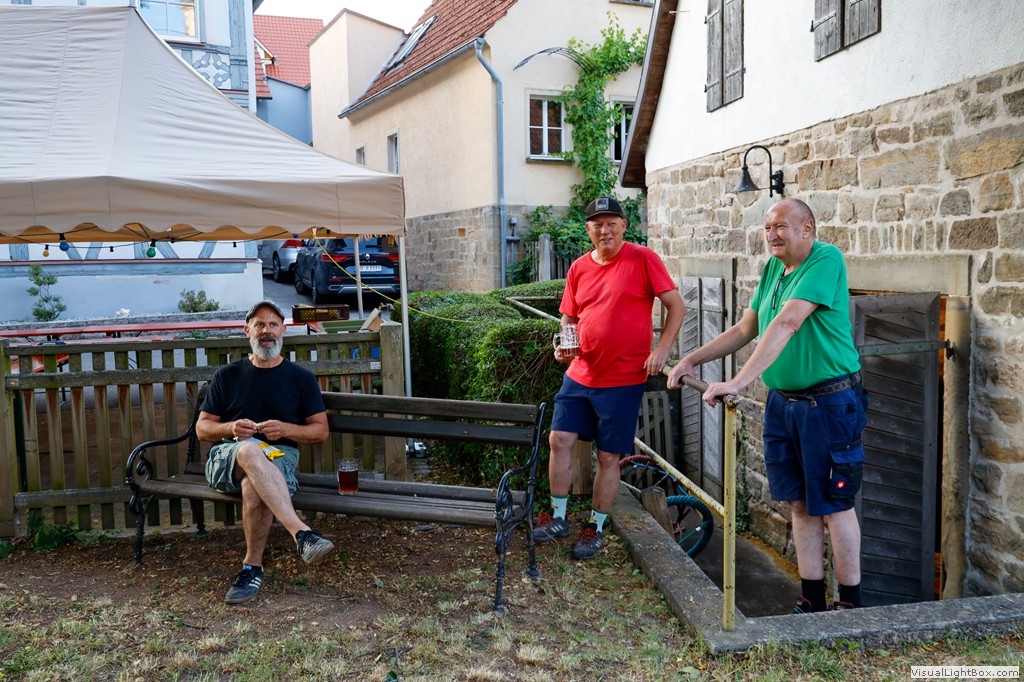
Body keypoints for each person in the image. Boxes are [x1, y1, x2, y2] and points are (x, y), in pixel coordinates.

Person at [667, 198, 869, 612]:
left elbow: (788, 322)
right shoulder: (774, 269)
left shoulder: (825, 259)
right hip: (784, 403)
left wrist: (737, 382)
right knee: (799, 502)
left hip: (829, 403)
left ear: (807, 229)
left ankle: (849, 606)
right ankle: (811, 599)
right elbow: (747, 327)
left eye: (780, 227)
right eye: (767, 228)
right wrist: (691, 359)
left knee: (835, 505)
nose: (772, 235)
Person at [534, 196, 685, 560]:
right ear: (588, 229)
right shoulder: (579, 268)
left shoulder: (643, 259)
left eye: (611, 223)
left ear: (623, 226)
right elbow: (569, 317)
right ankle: (558, 517)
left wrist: (662, 350)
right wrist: (565, 346)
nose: (605, 230)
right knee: (559, 439)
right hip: (580, 373)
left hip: (623, 378)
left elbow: (676, 306)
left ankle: (595, 527)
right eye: (598, 224)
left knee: (607, 456)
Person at [197, 300, 335, 604]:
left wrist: (286, 429)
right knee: (248, 450)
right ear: (247, 330)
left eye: (273, 324)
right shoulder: (227, 375)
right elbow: (202, 429)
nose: (266, 331)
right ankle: (301, 533)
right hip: (227, 457)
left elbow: (320, 431)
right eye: (259, 324)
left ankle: (251, 568)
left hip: (279, 458)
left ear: (283, 330)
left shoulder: (301, 378)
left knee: (253, 487)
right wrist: (230, 427)